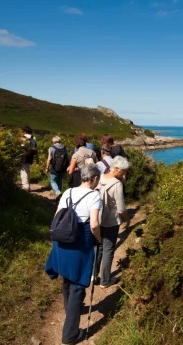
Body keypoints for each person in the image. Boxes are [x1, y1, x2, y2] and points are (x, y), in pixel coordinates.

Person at [45, 164, 102, 345]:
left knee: (67, 278)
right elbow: (94, 224)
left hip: (62, 241)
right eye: (97, 179)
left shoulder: (68, 192)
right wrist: (98, 240)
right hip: (80, 243)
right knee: (78, 284)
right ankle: (69, 336)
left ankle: (69, 310)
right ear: (93, 179)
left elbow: (57, 216)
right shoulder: (94, 196)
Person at [94, 156, 131, 289]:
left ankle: (93, 275)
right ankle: (105, 280)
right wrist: (127, 220)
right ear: (116, 168)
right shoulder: (117, 184)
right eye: (123, 171)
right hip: (110, 220)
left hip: (97, 218)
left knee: (98, 247)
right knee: (108, 249)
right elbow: (121, 208)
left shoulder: (100, 178)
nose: (124, 174)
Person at [20, 125, 39, 191]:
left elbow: (21, 146)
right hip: (31, 155)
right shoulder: (33, 138)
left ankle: (25, 187)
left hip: (24, 155)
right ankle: (28, 185)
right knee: (27, 170)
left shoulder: (23, 137)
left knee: (23, 171)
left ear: (24, 131)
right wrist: (37, 158)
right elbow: (36, 148)